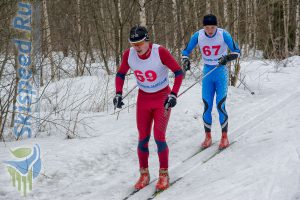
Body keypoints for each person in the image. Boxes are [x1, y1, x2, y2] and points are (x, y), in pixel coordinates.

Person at [114, 25, 183, 191]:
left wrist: (173, 94)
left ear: (147, 40)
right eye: (133, 43)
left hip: (162, 98)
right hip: (144, 98)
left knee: (159, 136)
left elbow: (178, 72)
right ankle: (144, 174)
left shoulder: (160, 52)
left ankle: (163, 174)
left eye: (139, 43)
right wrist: (118, 93)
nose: (137, 47)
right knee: (143, 138)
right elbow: (120, 74)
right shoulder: (129, 55)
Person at [181, 14, 240, 150]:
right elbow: (186, 51)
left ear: (216, 26)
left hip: (220, 72)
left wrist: (227, 58)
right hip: (207, 72)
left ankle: (224, 137)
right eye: (207, 27)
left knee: (220, 105)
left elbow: (237, 51)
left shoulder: (223, 34)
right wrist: (185, 59)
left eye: (212, 27)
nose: (210, 30)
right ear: (203, 27)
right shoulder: (198, 35)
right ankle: (208, 136)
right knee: (207, 105)